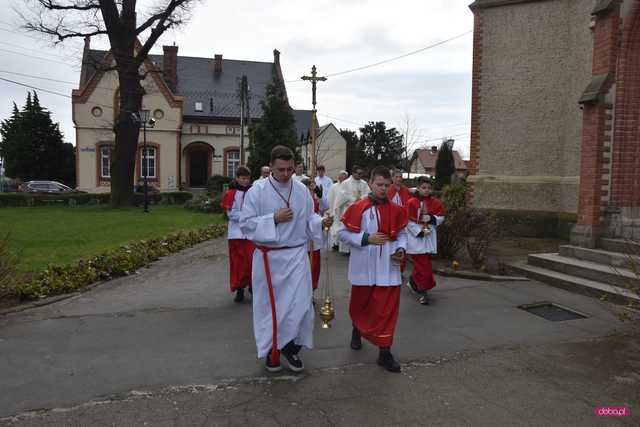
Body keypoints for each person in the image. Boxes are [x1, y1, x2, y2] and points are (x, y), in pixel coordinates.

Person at [240, 146, 333, 373]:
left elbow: (309, 217)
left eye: (290, 169)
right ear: (270, 165)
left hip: (296, 257)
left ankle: (291, 348)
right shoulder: (257, 191)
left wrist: (321, 222)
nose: (285, 174)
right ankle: (273, 351)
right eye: (280, 169)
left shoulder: (301, 190)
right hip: (269, 259)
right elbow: (247, 224)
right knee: (272, 310)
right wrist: (273, 218)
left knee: (301, 308)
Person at [338, 166, 408, 373]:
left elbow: (402, 233)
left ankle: (384, 353)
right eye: (379, 185)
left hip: (388, 268)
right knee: (362, 306)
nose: (383, 189)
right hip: (364, 268)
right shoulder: (358, 207)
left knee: (387, 311)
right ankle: (356, 330)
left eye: (387, 185)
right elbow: (342, 234)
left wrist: (401, 248)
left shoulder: (397, 209)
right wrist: (366, 238)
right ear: (370, 183)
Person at [405, 177, 446, 305]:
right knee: (425, 269)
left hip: (429, 237)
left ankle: (412, 282)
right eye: (423, 188)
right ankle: (423, 292)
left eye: (428, 188)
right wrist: (418, 231)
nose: (426, 190)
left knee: (421, 266)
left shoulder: (435, 202)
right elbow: (407, 221)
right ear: (418, 188)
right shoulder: (411, 202)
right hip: (416, 239)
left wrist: (432, 218)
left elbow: (441, 217)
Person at [220, 166, 254, 302]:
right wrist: (247, 216)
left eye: (247, 178)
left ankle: (253, 286)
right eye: (243, 178)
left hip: (251, 234)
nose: (245, 181)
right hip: (236, 234)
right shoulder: (231, 193)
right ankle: (239, 288)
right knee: (238, 263)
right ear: (237, 178)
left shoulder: (253, 191)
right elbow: (231, 214)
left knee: (252, 262)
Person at [333, 166, 370, 254]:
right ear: (353, 173)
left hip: (360, 209)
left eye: (361, 173)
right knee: (347, 228)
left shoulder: (364, 183)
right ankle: (345, 249)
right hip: (348, 209)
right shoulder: (346, 183)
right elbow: (342, 196)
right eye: (358, 173)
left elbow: (368, 194)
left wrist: (361, 198)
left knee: (357, 228)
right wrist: (353, 199)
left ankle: (357, 245)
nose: (360, 175)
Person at [301, 178, 323, 292]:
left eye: (312, 187)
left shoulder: (316, 199)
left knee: (314, 267)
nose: (310, 189)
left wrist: (318, 192)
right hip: (304, 239)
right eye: (309, 187)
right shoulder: (300, 201)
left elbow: (325, 206)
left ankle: (311, 291)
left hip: (315, 238)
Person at [327, 170, 348, 248]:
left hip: (344, 211)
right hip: (336, 211)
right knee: (335, 227)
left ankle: (342, 245)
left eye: (344, 176)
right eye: (341, 176)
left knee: (343, 227)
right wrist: (330, 210)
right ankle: (335, 243)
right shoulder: (334, 186)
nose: (343, 178)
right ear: (339, 177)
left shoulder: (347, 186)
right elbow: (330, 199)